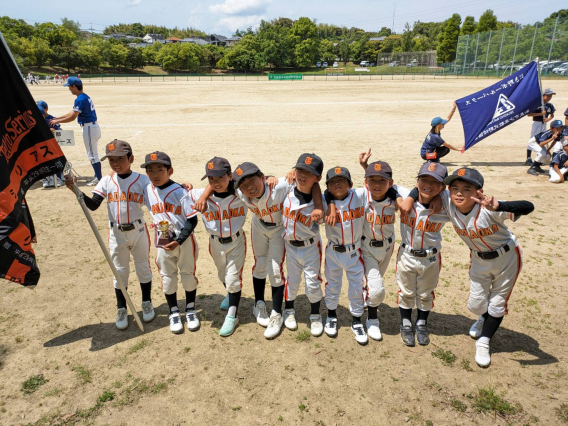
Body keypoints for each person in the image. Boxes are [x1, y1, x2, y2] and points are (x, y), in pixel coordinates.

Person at [195, 162, 323, 339]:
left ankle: (276, 314)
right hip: (259, 226)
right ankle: (259, 304)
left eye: (252, 181)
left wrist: (317, 204)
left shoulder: (279, 186)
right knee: (260, 264)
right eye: (243, 184)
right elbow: (217, 183)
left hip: (279, 229)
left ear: (263, 177)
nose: (249, 187)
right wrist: (202, 197)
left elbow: (314, 184)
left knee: (276, 270)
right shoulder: (239, 191)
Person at [441, 167, 533, 367]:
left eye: (467, 188)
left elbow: (529, 206)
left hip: (507, 258)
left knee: (497, 303)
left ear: (478, 192)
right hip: (479, 259)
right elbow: (423, 187)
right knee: (476, 304)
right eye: (454, 187)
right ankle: (483, 317)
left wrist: (498, 205)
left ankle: (484, 340)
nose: (459, 193)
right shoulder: (448, 203)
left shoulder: (489, 209)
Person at [64, 140, 155, 330]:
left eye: (120, 159)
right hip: (116, 233)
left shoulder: (143, 180)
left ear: (130, 158)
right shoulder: (107, 180)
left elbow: (157, 198)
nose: (115, 163)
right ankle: (122, 307)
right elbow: (94, 204)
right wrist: (76, 190)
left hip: (138, 231)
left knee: (143, 268)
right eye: (111, 159)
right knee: (119, 272)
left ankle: (146, 302)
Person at [142, 151, 200, 334]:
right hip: (163, 239)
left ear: (170, 170)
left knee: (188, 275)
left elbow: (192, 220)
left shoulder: (180, 192)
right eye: (150, 170)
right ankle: (173, 311)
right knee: (167, 277)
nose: (155, 174)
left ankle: (190, 308)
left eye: (160, 169)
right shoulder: (147, 189)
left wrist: (180, 241)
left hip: (184, 241)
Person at [190, 157, 247, 337]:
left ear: (230, 176)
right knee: (223, 275)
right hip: (215, 242)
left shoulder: (242, 193)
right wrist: (187, 187)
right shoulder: (202, 196)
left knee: (232, 278)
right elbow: (173, 189)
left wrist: (271, 177)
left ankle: (232, 315)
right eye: (211, 179)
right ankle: (231, 294)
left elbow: (257, 181)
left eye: (220, 178)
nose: (215, 183)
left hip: (236, 241)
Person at [396, 162, 450, 347]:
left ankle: (421, 323)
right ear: (417, 181)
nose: (428, 185)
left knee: (426, 294)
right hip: (407, 255)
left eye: (435, 182)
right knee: (406, 291)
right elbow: (389, 185)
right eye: (423, 179)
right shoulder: (405, 197)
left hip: (431, 258)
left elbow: (462, 196)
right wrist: (411, 196)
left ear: (443, 187)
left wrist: (441, 197)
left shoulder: (446, 206)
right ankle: (405, 323)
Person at [279, 153, 327, 337]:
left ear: (318, 178)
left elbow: (319, 195)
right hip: (290, 246)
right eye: (300, 169)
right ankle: (289, 310)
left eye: (309, 172)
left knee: (313, 283)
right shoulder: (288, 188)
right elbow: (266, 184)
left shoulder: (320, 203)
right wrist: (273, 178)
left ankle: (315, 315)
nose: (303, 175)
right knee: (292, 280)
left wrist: (319, 207)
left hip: (310, 248)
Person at [322, 166, 369, 344]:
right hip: (333, 251)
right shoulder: (325, 202)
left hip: (354, 252)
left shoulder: (359, 196)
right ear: (327, 187)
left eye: (341, 180)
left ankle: (357, 320)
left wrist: (365, 166)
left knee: (357, 288)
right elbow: (317, 194)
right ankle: (332, 315)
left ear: (350, 183)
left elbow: (374, 184)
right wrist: (331, 203)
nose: (337, 184)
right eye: (333, 182)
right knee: (332, 285)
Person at [49, 77, 102, 186]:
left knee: (92, 155)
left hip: (89, 128)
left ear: (74, 86)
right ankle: (97, 176)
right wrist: (57, 118)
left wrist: (58, 121)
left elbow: (72, 117)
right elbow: (71, 113)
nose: (69, 89)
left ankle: (99, 178)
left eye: (69, 86)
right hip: (91, 127)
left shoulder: (80, 99)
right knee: (92, 153)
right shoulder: (84, 97)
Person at [37, 101, 64, 188]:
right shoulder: (34, 123)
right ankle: (46, 179)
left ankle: (59, 177)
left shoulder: (51, 120)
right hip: (41, 147)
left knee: (56, 161)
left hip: (52, 146)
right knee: (43, 162)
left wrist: (53, 130)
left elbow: (60, 132)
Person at [525, 88, 556, 165]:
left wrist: (548, 119)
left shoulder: (549, 105)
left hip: (544, 124)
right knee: (532, 139)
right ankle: (528, 158)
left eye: (551, 96)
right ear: (543, 96)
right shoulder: (537, 104)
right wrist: (540, 114)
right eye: (548, 96)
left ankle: (540, 157)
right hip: (537, 123)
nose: (549, 97)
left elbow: (552, 115)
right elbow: (529, 114)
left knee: (542, 139)